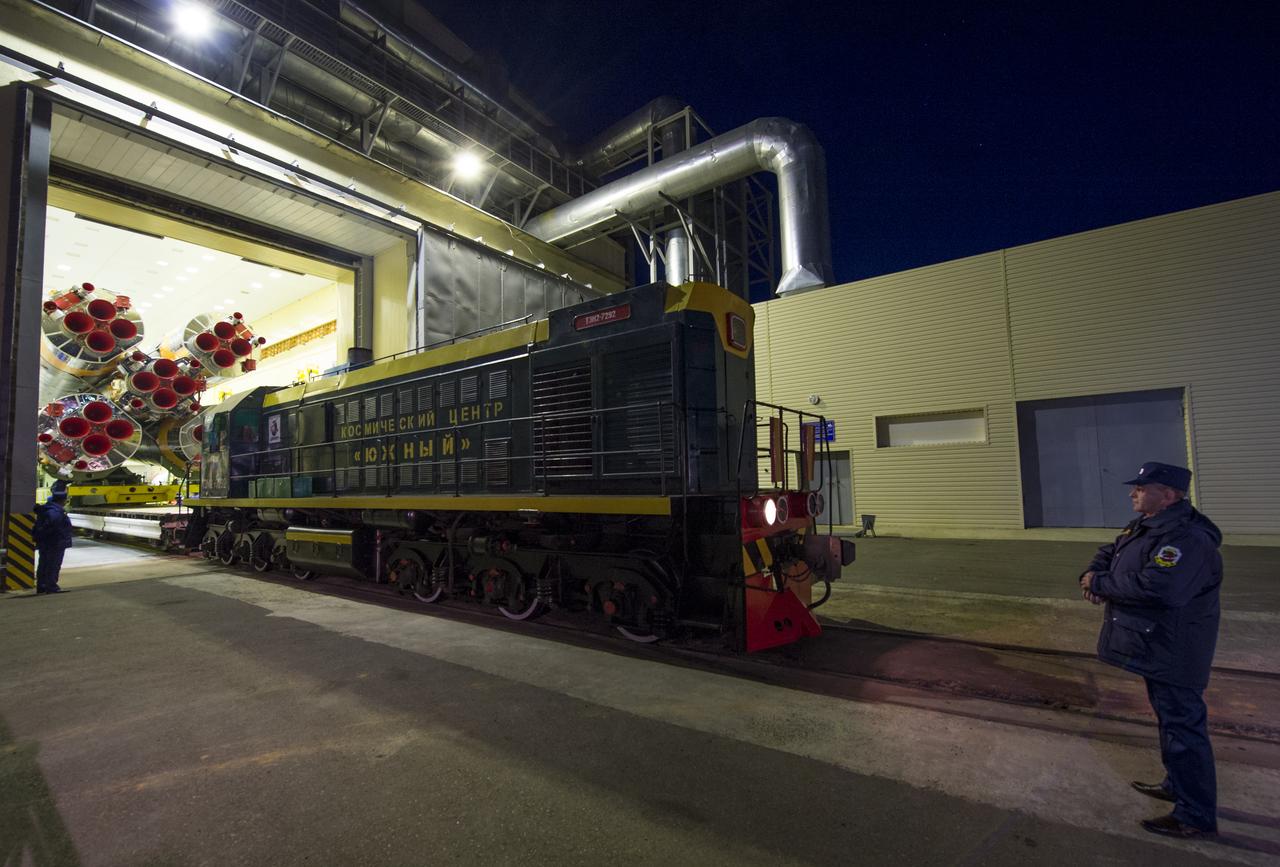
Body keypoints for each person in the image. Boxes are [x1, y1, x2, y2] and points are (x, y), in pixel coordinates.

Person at [1079, 461, 1222, 838]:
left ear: (1169, 495)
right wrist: (1093, 575)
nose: (1133, 493)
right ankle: (1178, 785)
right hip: (1157, 643)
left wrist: (1104, 583)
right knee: (1171, 721)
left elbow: (1160, 587)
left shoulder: (1188, 538)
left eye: (1143, 488)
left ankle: (1195, 815)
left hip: (1175, 648)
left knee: (1183, 727)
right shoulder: (1148, 526)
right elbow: (1110, 551)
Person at [32, 480, 74, 594]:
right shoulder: (55, 511)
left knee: (44, 564)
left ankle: (42, 586)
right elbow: (54, 526)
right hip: (55, 542)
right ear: (62, 500)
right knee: (53, 565)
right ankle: (51, 587)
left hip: (46, 542)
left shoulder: (47, 509)